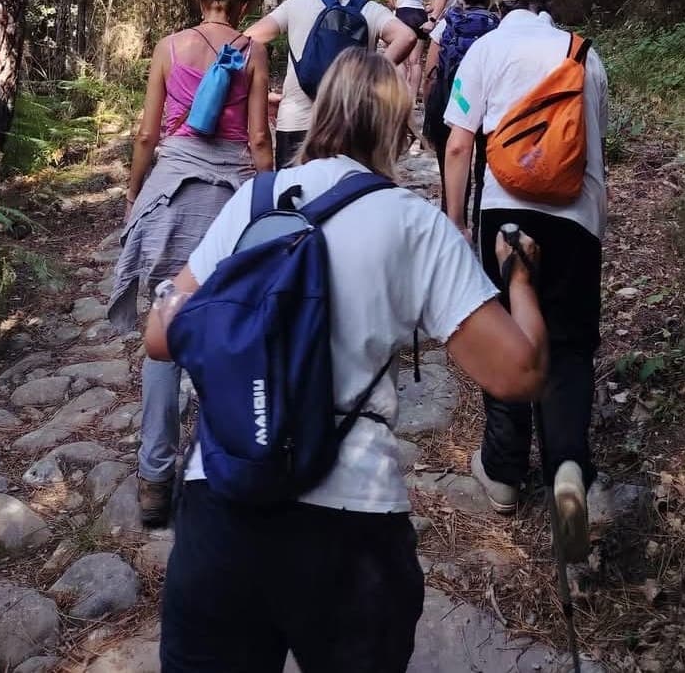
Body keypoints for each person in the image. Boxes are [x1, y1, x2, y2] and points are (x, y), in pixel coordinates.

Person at [144, 49, 548, 673]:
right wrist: (519, 277)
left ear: (321, 110)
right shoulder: (412, 223)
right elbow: (517, 374)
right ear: (398, 127)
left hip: (220, 508)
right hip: (349, 525)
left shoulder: (258, 200)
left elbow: (159, 339)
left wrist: (172, 290)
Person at [442, 0, 608, 563]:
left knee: (508, 336)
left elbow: (459, 144)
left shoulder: (485, 49)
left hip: (506, 215)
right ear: (547, 5)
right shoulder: (584, 55)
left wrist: (456, 222)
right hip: (576, 218)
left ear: (498, 7)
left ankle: (505, 472)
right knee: (566, 347)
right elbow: (595, 147)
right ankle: (568, 469)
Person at [108, 0, 273, 528]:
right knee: (225, 325)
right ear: (243, 6)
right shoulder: (251, 51)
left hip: (172, 191)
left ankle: (155, 478)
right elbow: (256, 137)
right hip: (229, 197)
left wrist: (135, 193)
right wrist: (266, 200)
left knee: (165, 324)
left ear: (204, 0)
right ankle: (214, 465)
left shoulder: (168, 46)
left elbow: (148, 133)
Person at [245, 0, 416, 168]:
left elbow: (247, 38)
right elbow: (407, 36)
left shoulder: (297, 4)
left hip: (296, 121)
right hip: (350, 123)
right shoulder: (369, 9)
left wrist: (259, 92)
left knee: (293, 199)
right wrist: (370, 74)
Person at [422, 0, 497, 220]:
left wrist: (429, 104)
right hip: (488, 104)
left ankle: (453, 218)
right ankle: (480, 222)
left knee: (452, 164)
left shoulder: (447, 23)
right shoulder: (496, 25)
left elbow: (431, 70)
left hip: (453, 100)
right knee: (485, 166)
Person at [385, 0, 436, 103]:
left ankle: (400, 95)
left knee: (400, 57)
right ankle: (413, 98)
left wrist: (393, 3)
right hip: (420, 14)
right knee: (416, 61)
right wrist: (432, 7)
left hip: (404, 12)